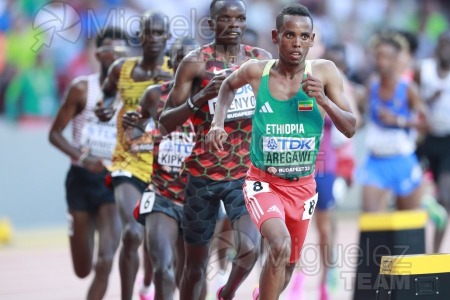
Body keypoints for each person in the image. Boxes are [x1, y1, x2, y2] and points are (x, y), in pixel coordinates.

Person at [206, 4, 356, 299]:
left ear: (312, 40)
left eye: (303, 36)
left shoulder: (324, 72)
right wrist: (217, 122)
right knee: (279, 244)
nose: (296, 43)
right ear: (276, 36)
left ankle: (244, 295)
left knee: (287, 265)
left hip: (303, 186)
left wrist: (323, 100)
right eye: (289, 35)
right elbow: (226, 86)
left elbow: (350, 127)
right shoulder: (255, 72)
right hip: (263, 182)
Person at [159, 0, 272, 298]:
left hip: (244, 175)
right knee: (194, 268)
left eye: (240, 18)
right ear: (211, 23)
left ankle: (228, 292)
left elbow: (277, 106)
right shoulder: (195, 62)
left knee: (249, 248)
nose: (234, 24)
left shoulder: (260, 60)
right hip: (202, 176)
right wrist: (200, 98)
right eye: (226, 18)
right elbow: (165, 122)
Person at [95, 11, 172, 300]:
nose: (152, 38)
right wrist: (104, 109)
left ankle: (149, 282)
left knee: (160, 248)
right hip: (126, 162)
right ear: (138, 37)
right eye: (147, 32)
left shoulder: (177, 70)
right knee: (132, 233)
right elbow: (107, 97)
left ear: (167, 38)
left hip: (165, 167)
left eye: (158, 33)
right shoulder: (120, 69)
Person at [48, 27, 128, 300]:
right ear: (98, 55)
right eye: (110, 51)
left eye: (121, 53)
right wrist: (83, 157)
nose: (115, 58)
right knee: (82, 269)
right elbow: (54, 134)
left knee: (105, 261)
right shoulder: (82, 88)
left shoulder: (135, 95)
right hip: (81, 179)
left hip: (113, 182)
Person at [124, 36, 200, 299]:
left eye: (193, 61)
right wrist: (135, 134)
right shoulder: (154, 96)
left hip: (199, 199)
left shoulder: (215, 97)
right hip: (162, 195)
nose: (187, 67)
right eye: (181, 61)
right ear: (171, 63)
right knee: (163, 270)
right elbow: (132, 134)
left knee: (192, 275)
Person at [357, 33, 429, 214]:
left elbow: (426, 123)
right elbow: (362, 115)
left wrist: (398, 120)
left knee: (407, 221)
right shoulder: (371, 86)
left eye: (387, 57)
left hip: (402, 159)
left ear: (397, 59)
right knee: (371, 219)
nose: (382, 62)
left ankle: (428, 202)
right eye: (379, 56)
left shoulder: (408, 89)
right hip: (376, 160)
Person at [415, 30, 450, 252]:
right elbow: (410, 99)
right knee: (411, 196)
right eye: (443, 44)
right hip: (424, 140)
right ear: (437, 46)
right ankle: (413, 246)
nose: (447, 49)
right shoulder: (424, 70)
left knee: (446, 199)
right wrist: (429, 99)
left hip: (447, 142)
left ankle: (434, 252)